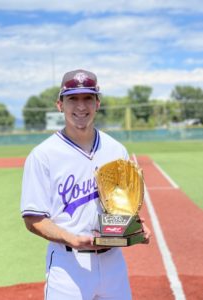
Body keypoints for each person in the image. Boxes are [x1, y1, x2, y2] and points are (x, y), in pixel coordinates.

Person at [20, 69, 151, 300]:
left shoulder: (116, 150)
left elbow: (121, 208)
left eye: (88, 98)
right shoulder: (43, 155)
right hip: (68, 265)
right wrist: (70, 238)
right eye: (73, 98)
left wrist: (134, 228)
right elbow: (33, 220)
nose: (81, 106)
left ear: (97, 103)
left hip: (113, 263)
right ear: (60, 104)